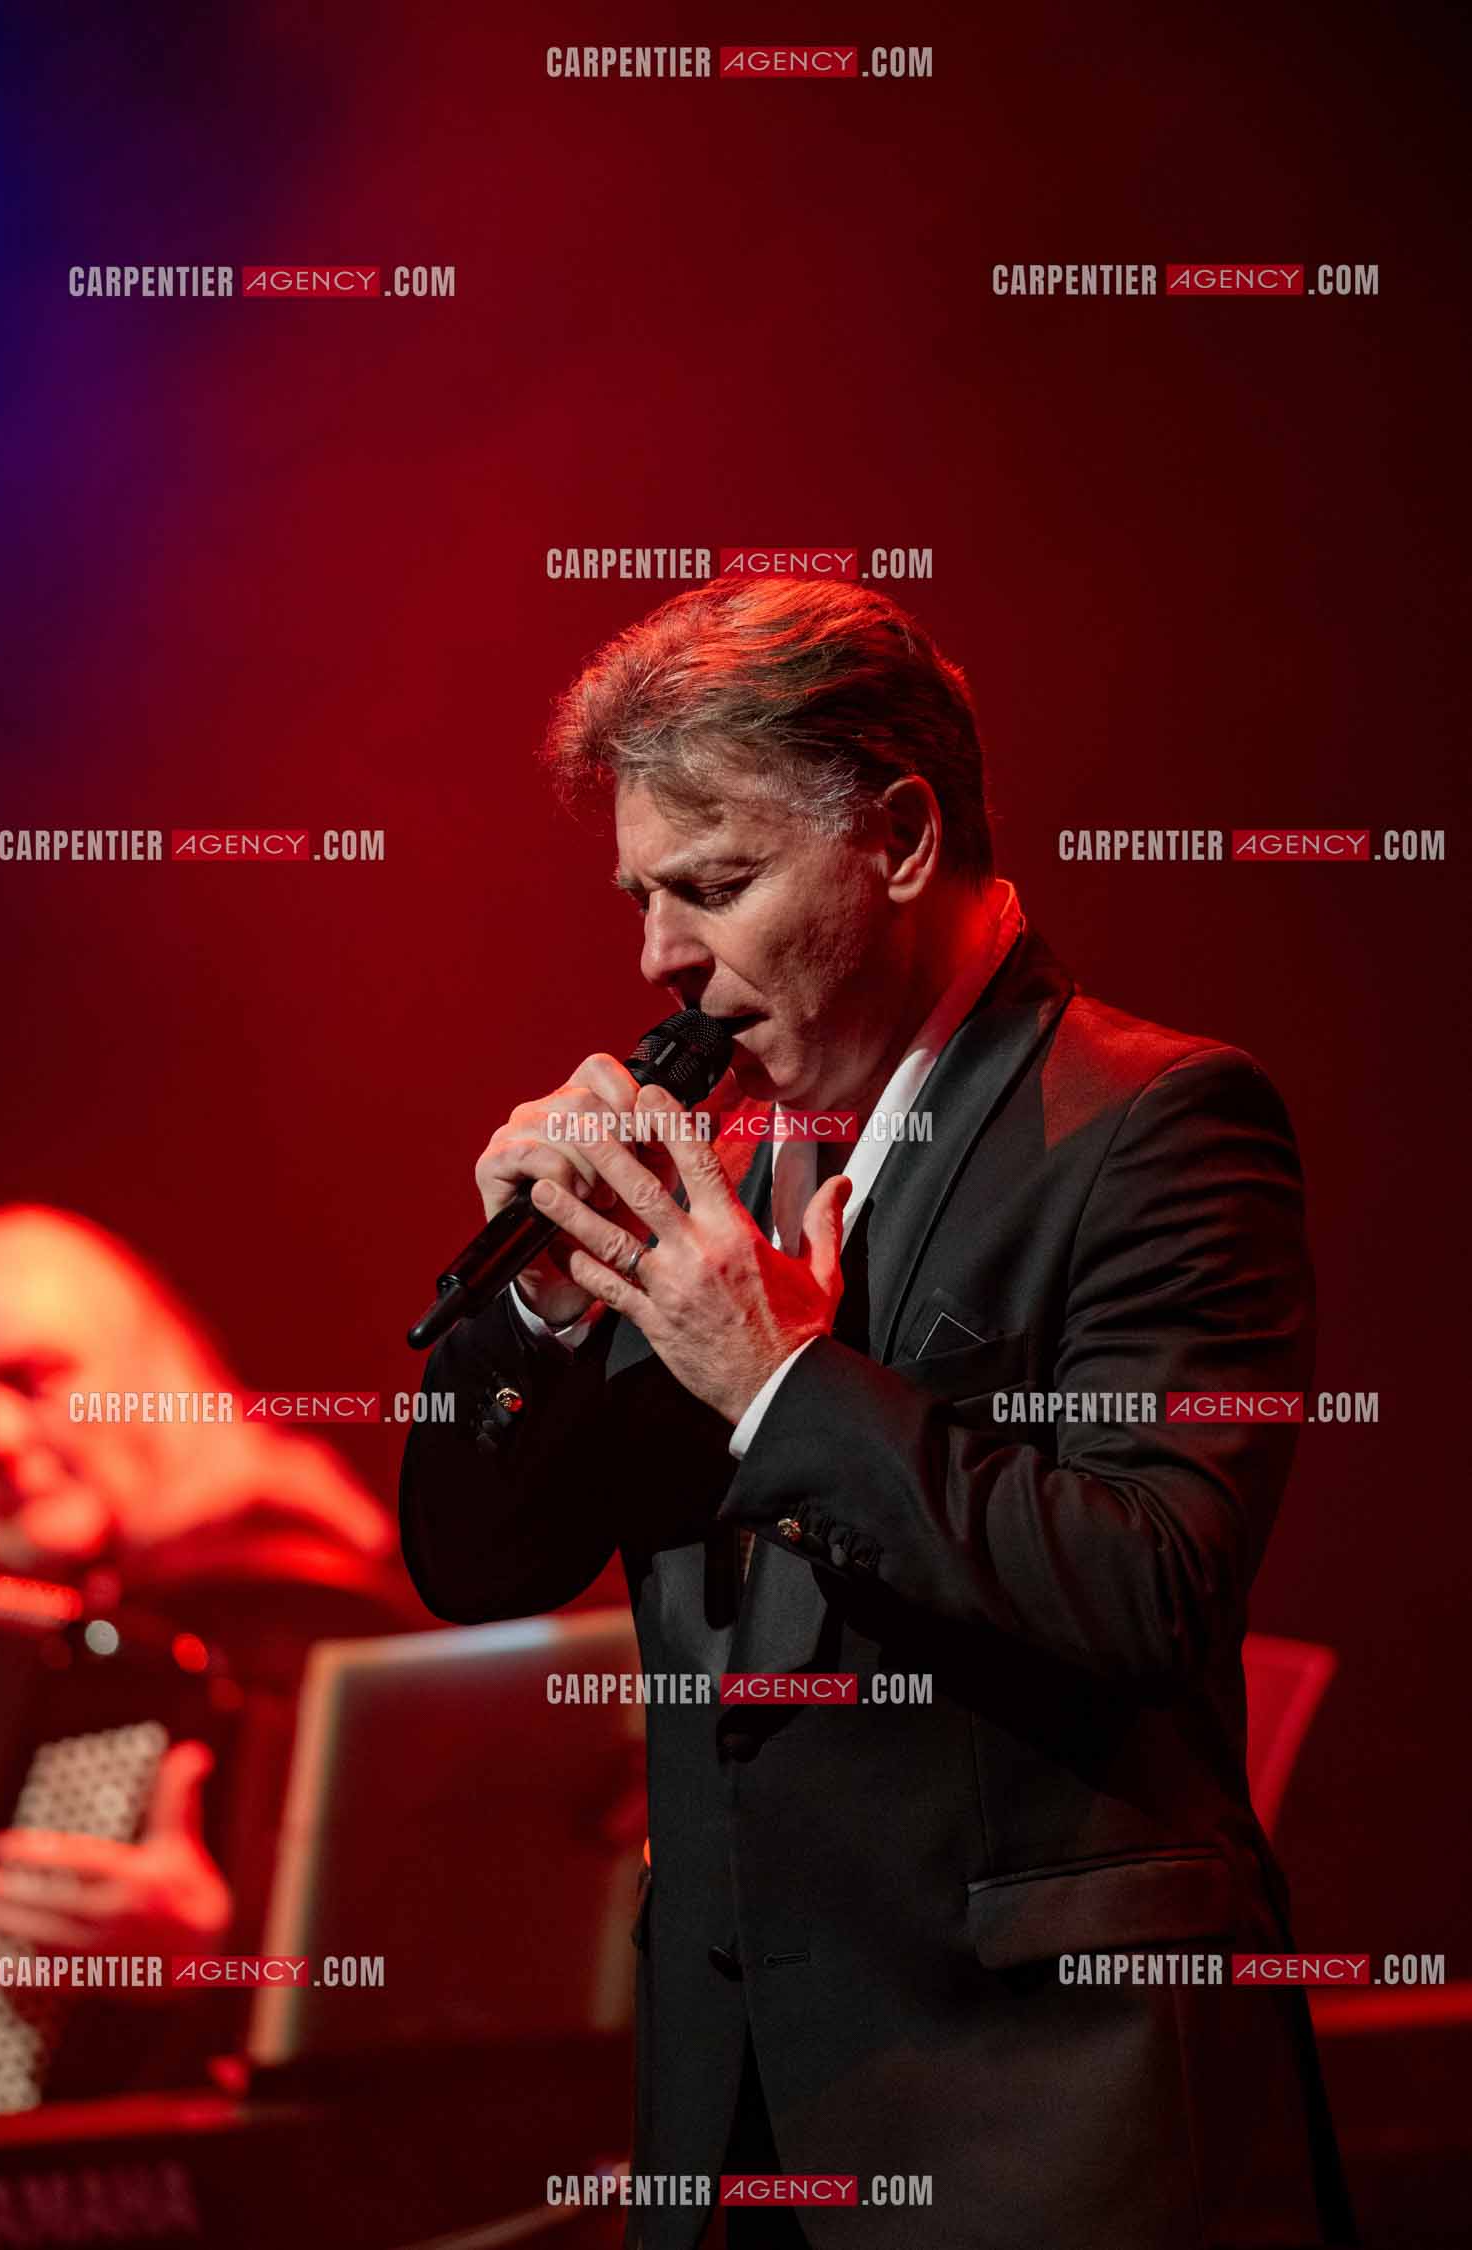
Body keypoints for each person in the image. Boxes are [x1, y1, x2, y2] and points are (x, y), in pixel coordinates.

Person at [399, 576, 1357, 2248]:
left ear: (900, 838)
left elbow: (1155, 1584)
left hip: (1049, 2141)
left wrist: (773, 1374)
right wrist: (539, 1306)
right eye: (643, 896)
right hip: (737, 2130)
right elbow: (476, 1563)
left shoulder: (1154, 1124)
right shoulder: (722, 1147)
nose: (660, 957)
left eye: (716, 885)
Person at [0, 1204, 421, 2110]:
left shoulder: (317, 1613)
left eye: (33, 1379)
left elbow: (470, 1954)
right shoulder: (23, 1632)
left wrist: (226, 1955)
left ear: (154, 1373)